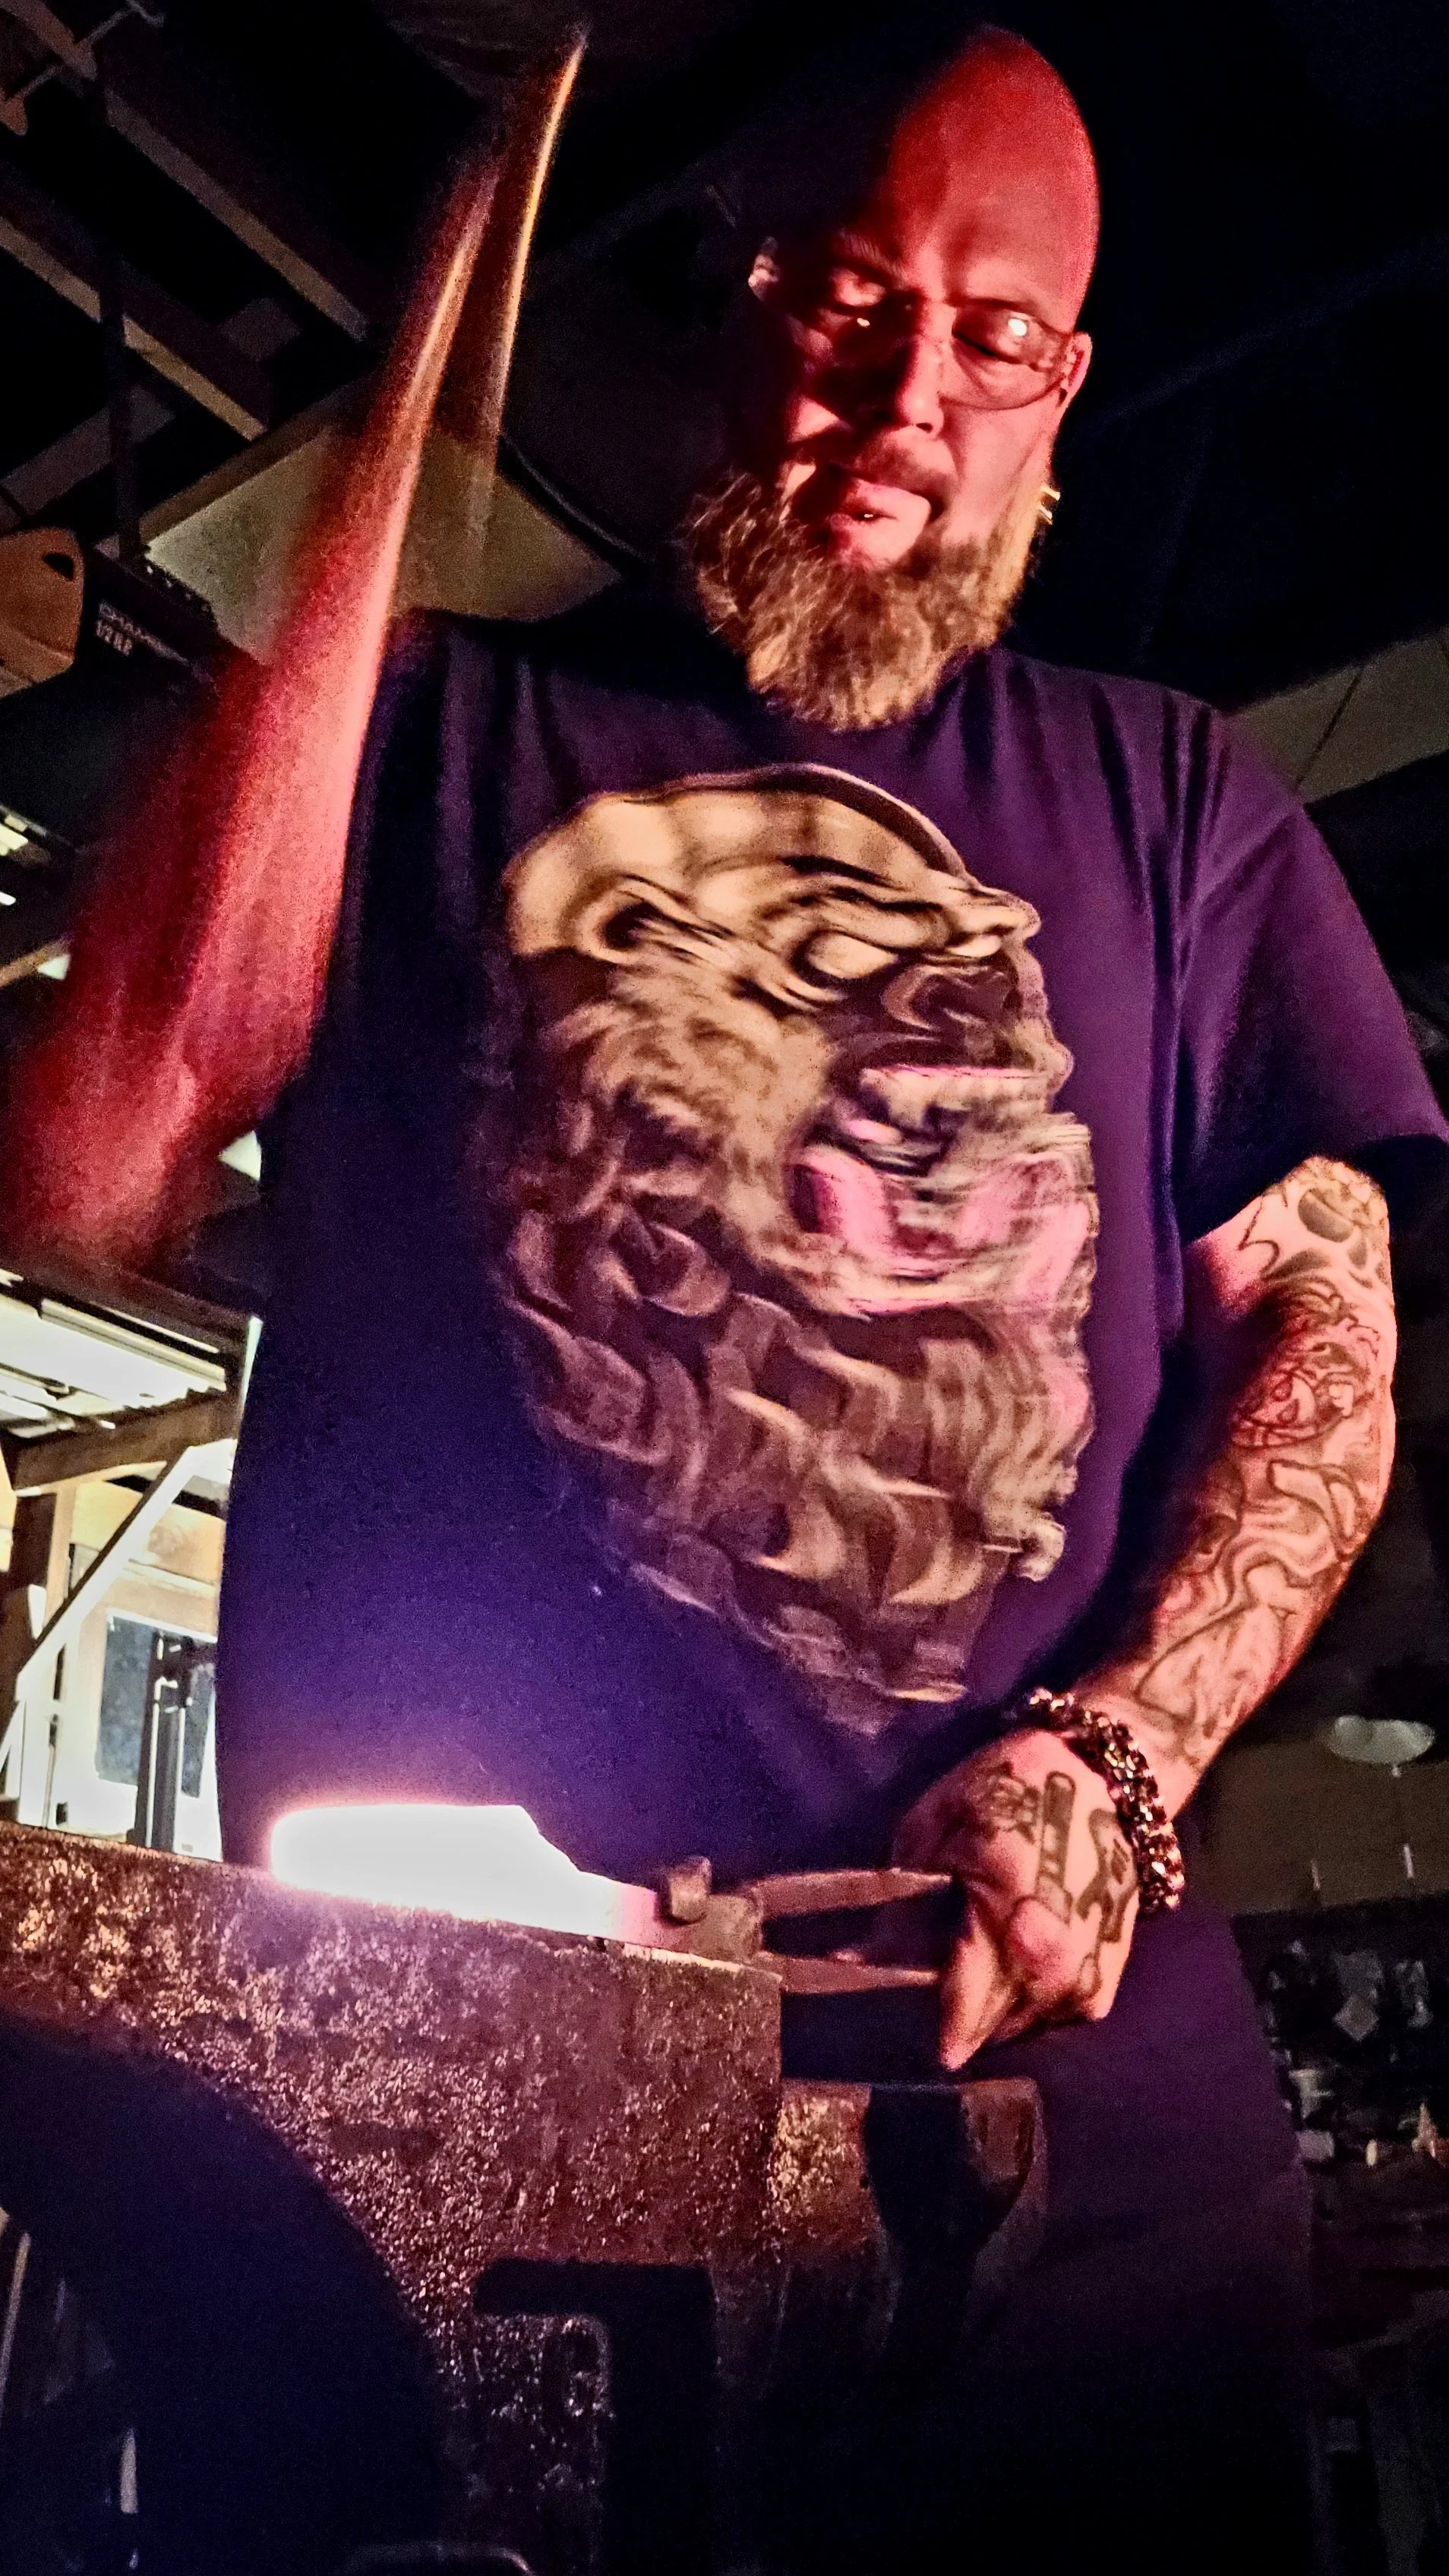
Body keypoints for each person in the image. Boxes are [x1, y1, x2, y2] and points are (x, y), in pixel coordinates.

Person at [5, 20, 1446, 2569]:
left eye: (991, 341)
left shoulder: (1173, 800)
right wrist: (384, 446)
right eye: (852, 309)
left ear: (1063, 392)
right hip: (440, 2151)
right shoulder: (424, 737)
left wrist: (1116, 1757)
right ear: (729, 289)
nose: (908, 404)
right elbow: (97, 1141)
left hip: (1068, 2193)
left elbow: (1321, 1340)